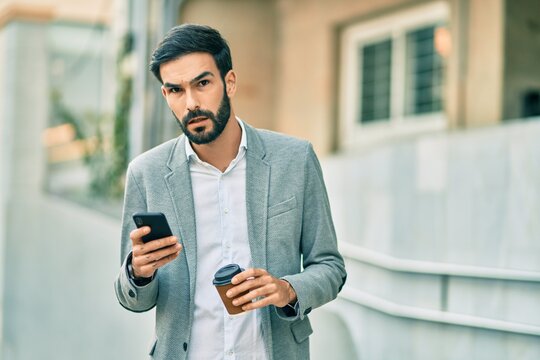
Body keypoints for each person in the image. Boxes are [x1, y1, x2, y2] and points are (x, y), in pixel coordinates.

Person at [114, 24, 346, 360]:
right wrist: (139, 271)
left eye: (203, 83)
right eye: (176, 90)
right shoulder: (146, 173)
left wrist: (287, 290)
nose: (191, 103)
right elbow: (131, 298)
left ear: (230, 82)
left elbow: (330, 267)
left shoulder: (295, 160)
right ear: (166, 96)